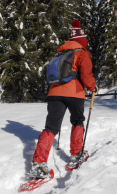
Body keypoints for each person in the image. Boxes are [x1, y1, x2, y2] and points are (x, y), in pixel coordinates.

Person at [29, 20, 98, 178]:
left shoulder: (60, 54)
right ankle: (76, 154)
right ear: (82, 40)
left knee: (51, 127)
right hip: (74, 92)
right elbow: (86, 76)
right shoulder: (82, 53)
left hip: (54, 93)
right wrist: (92, 87)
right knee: (77, 121)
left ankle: (39, 163)